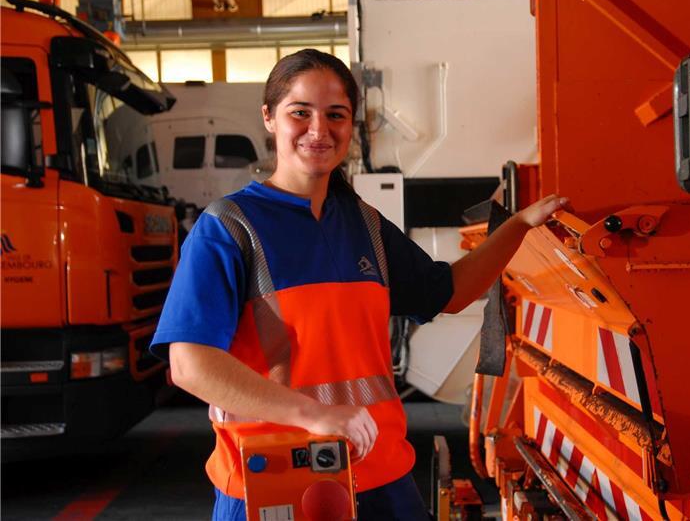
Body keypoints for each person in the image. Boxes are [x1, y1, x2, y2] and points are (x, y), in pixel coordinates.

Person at [150, 49, 569, 521]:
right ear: (269, 118)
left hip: (380, 476)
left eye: (336, 115)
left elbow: (447, 293)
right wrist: (314, 415)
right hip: (274, 482)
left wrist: (516, 227)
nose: (318, 130)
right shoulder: (229, 228)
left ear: (352, 126)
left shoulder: (363, 224)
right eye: (299, 113)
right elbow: (189, 365)